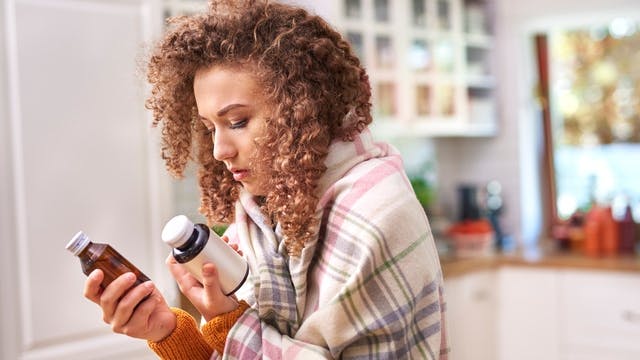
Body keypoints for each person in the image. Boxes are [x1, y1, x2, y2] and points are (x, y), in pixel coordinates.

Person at [82, 0, 449, 358]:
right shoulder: (259, 216)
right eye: (209, 128)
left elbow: (243, 340)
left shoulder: (377, 213)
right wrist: (168, 333)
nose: (219, 150)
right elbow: (239, 347)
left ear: (302, 108)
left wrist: (230, 324)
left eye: (237, 122)